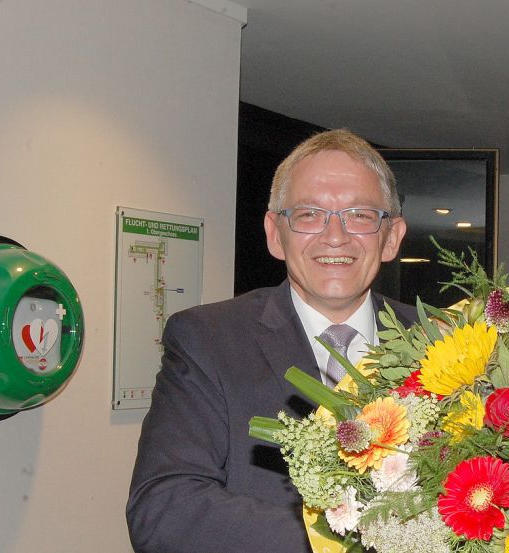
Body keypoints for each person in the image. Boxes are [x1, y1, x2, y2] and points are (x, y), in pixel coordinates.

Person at [126, 129, 416, 553]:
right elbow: (163, 509)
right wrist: (340, 540)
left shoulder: (440, 343)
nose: (335, 236)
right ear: (274, 234)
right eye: (309, 215)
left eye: (360, 215)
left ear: (391, 237)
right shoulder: (208, 340)